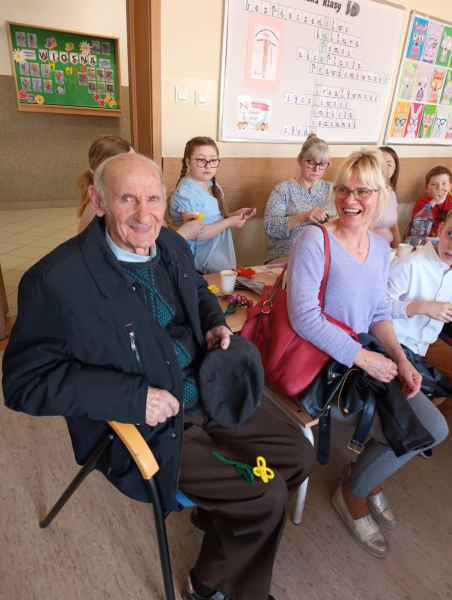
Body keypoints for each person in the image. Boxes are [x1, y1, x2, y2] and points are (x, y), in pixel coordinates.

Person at [3, 152, 313, 600]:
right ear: (98, 201)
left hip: (206, 389)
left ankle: (224, 515)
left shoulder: (169, 244)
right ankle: (207, 584)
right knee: (264, 496)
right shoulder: (56, 280)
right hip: (148, 424)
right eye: (127, 199)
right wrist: (131, 398)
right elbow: (22, 384)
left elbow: (198, 290)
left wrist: (215, 323)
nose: (143, 214)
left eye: (152, 199)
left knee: (297, 455)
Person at [286, 149, 448, 559]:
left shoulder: (378, 247)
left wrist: (400, 357)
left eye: (363, 191)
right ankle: (357, 492)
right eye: (343, 189)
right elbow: (304, 317)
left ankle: (362, 479)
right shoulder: (314, 240)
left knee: (431, 426)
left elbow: (377, 312)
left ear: (381, 196)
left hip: (361, 354)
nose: (350, 199)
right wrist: (364, 358)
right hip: (321, 363)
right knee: (411, 427)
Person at [78, 135, 202, 241]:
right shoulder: (100, 210)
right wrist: (183, 234)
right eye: (128, 165)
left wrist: (176, 226)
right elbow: (141, 246)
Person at [388, 209, 452, 402]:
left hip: (426, 344)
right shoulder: (411, 263)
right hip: (396, 343)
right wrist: (421, 307)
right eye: (451, 234)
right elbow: (377, 307)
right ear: (440, 229)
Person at [169, 136, 256, 273]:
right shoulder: (186, 194)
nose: (208, 165)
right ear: (188, 162)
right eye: (201, 160)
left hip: (217, 259)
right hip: (198, 266)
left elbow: (215, 218)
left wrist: (235, 215)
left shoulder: (212, 184)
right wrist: (230, 222)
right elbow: (197, 232)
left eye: (213, 160)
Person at [264, 133, 333, 262]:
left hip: (323, 257)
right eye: (311, 162)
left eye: (322, 164)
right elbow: (271, 228)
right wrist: (303, 217)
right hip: (287, 256)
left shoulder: (333, 190)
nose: (316, 169)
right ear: (300, 159)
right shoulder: (283, 189)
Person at [408, 165, 452, 238]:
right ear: (427, 189)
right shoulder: (422, 203)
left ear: (450, 187)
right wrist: (433, 202)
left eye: (444, 184)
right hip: (425, 238)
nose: (439, 188)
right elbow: (418, 226)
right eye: (434, 184)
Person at [371, 146, 401, 247]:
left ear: (395, 169)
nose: (383, 168)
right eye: (379, 164)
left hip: (388, 247)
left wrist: (398, 247)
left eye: (388, 164)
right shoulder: (367, 193)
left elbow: (394, 225)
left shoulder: (391, 193)